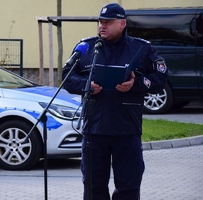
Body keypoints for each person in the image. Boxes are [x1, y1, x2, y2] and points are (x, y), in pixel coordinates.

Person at [62, 3, 167, 200]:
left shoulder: (141, 49)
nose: (102, 25)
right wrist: (87, 84)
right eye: (100, 21)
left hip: (126, 131)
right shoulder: (87, 47)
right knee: (93, 188)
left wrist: (136, 84)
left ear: (121, 23)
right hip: (94, 132)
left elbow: (160, 78)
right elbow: (67, 75)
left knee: (128, 188)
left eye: (108, 22)